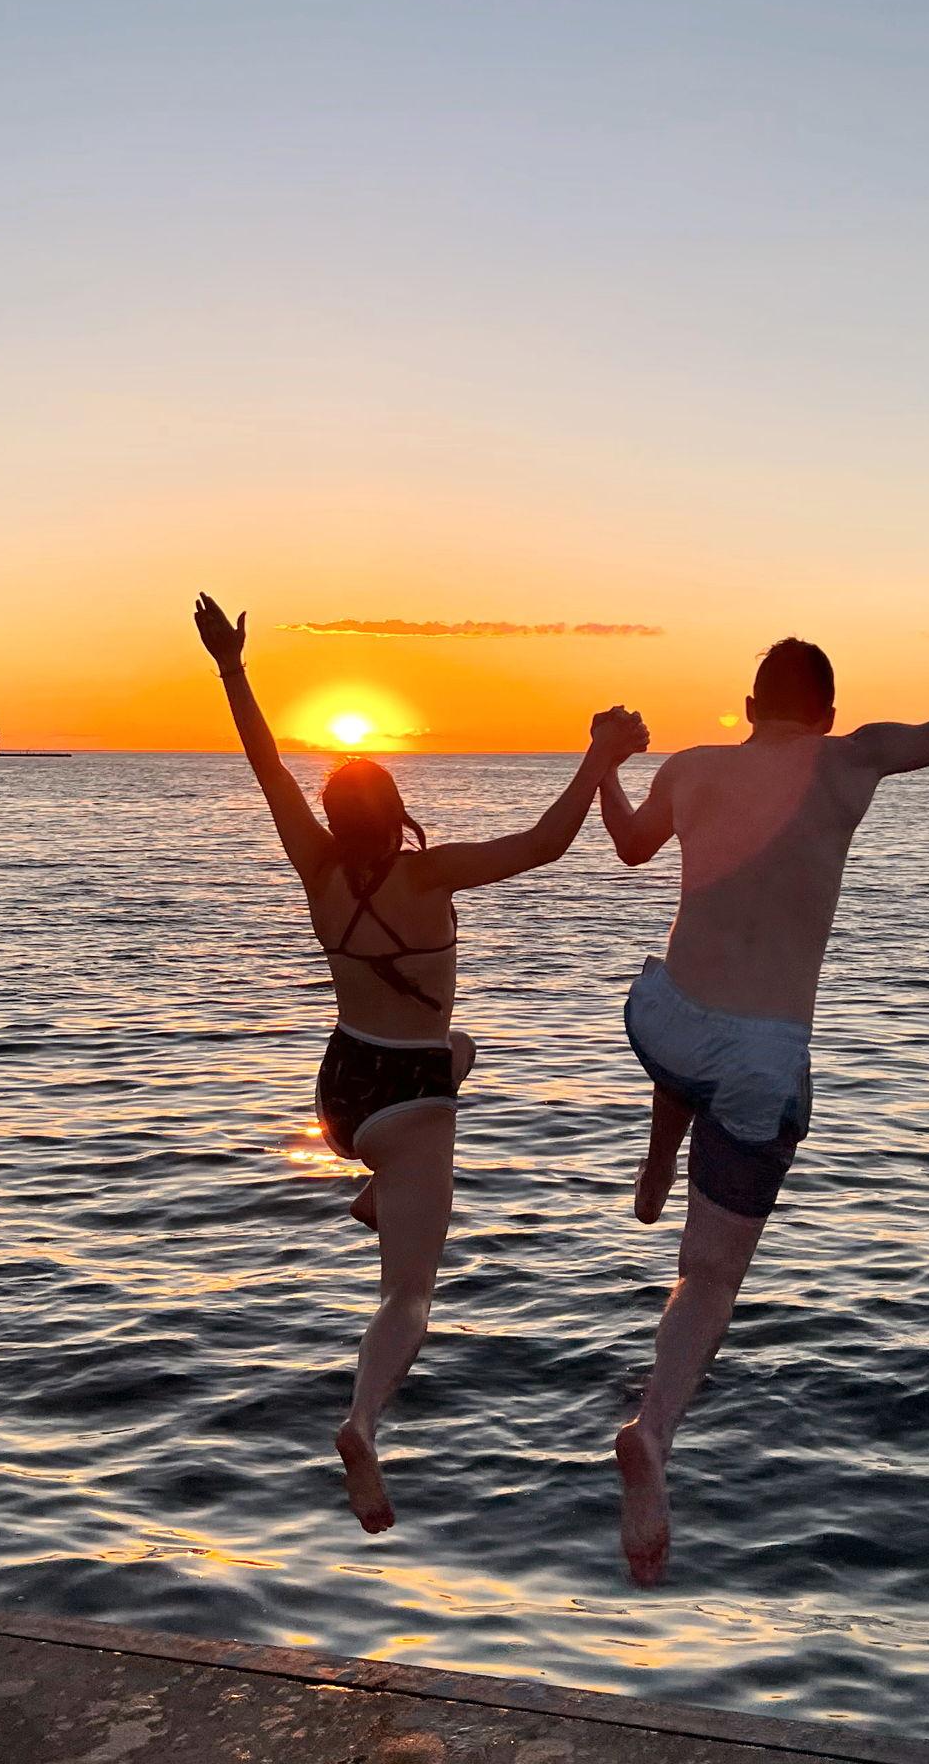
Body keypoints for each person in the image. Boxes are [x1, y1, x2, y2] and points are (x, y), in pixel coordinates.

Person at [597, 619, 929, 1584]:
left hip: (664, 1021)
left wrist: (604, 763)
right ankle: (653, 1432)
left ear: (751, 705)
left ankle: (657, 1158)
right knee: (710, 1276)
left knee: (682, 1030)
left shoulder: (691, 765)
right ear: (829, 713)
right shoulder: (855, 760)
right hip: (762, 1054)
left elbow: (632, 847)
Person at [193, 591, 649, 1536]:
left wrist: (233, 666)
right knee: (410, 1292)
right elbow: (545, 844)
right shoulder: (427, 872)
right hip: (408, 1102)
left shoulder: (313, 864)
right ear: (396, 811)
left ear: (332, 813)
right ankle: (362, 1421)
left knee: (462, 1046)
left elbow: (264, 762)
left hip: (338, 1088)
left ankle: (370, 1192)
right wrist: (600, 757)